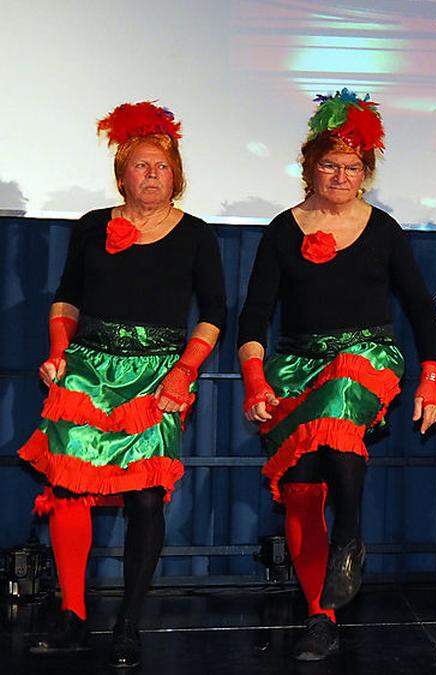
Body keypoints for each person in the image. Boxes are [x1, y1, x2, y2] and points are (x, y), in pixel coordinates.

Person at [237, 89, 436, 661]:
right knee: (302, 488)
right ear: (310, 168)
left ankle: (349, 534)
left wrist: (431, 380)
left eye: (352, 167)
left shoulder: (383, 229)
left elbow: (422, 310)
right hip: (297, 362)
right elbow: (254, 317)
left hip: (366, 357)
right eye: (330, 165)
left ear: (367, 173)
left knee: (339, 399)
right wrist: (256, 380)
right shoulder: (283, 230)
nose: (341, 175)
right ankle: (319, 615)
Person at [21, 102, 226, 668]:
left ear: (176, 175)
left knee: (144, 496)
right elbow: (66, 297)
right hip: (86, 370)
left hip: (156, 375)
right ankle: (73, 615)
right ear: (122, 175)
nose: (151, 173)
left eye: (161, 165)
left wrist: (184, 373)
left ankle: (129, 624)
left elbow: (214, 312)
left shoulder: (197, 236)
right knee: (68, 488)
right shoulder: (91, 225)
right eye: (140, 165)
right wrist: (59, 354)